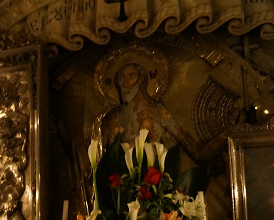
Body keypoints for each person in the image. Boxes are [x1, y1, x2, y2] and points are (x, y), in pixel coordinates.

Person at [93, 62, 231, 164]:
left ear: (141, 79)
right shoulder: (113, 118)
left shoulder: (158, 111)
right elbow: (104, 161)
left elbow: (197, 152)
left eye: (131, 76)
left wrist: (230, 133)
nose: (125, 83)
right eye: (120, 78)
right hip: (123, 189)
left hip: (157, 185)